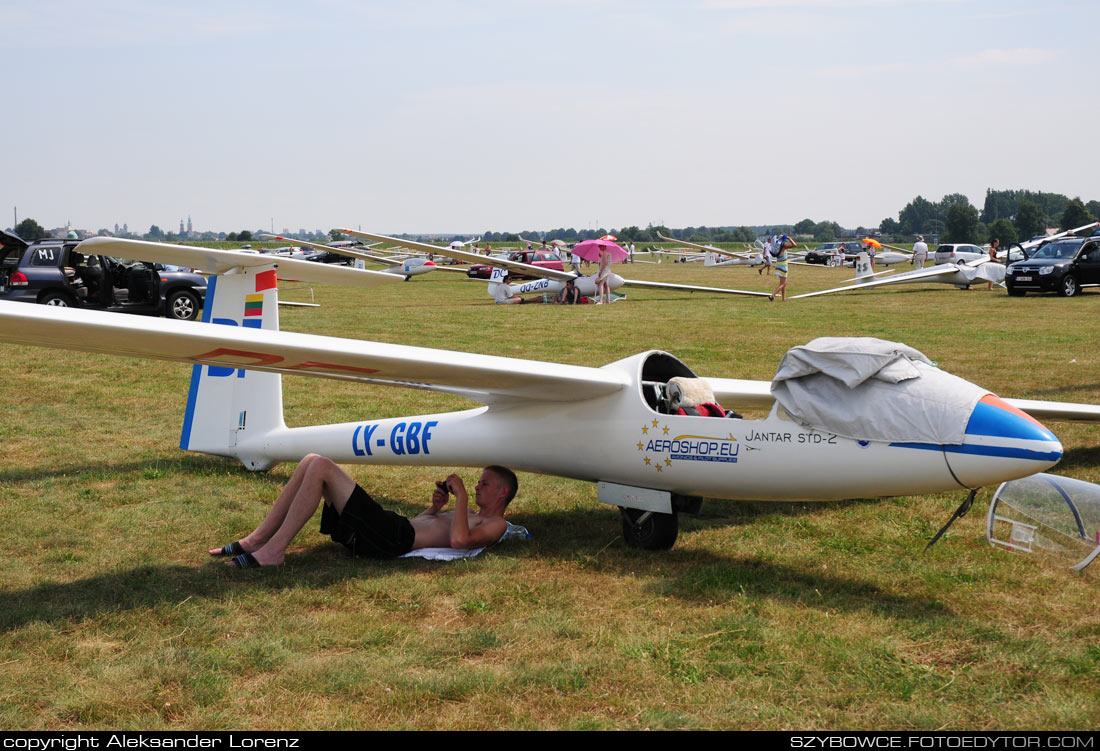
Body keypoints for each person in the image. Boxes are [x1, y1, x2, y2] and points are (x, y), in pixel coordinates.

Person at [210, 454, 517, 567]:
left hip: (392, 538)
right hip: (392, 529)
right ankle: (257, 540)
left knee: (320, 466)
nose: (477, 487)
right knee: (309, 461)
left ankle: (273, 551)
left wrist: (461, 497)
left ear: (503, 492)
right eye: (476, 483)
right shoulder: (472, 515)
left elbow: (459, 542)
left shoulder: (496, 524)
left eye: (484, 484)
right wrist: (434, 509)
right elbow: (425, 526)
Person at [770, 234, 792, 301]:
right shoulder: (784, 246)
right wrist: (790, 239)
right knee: (783, 283)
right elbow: (794, 245)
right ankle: (772, 295)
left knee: (783, 283)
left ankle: (783, 298)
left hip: (778, 265)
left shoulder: (778, 247)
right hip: (783, 266)